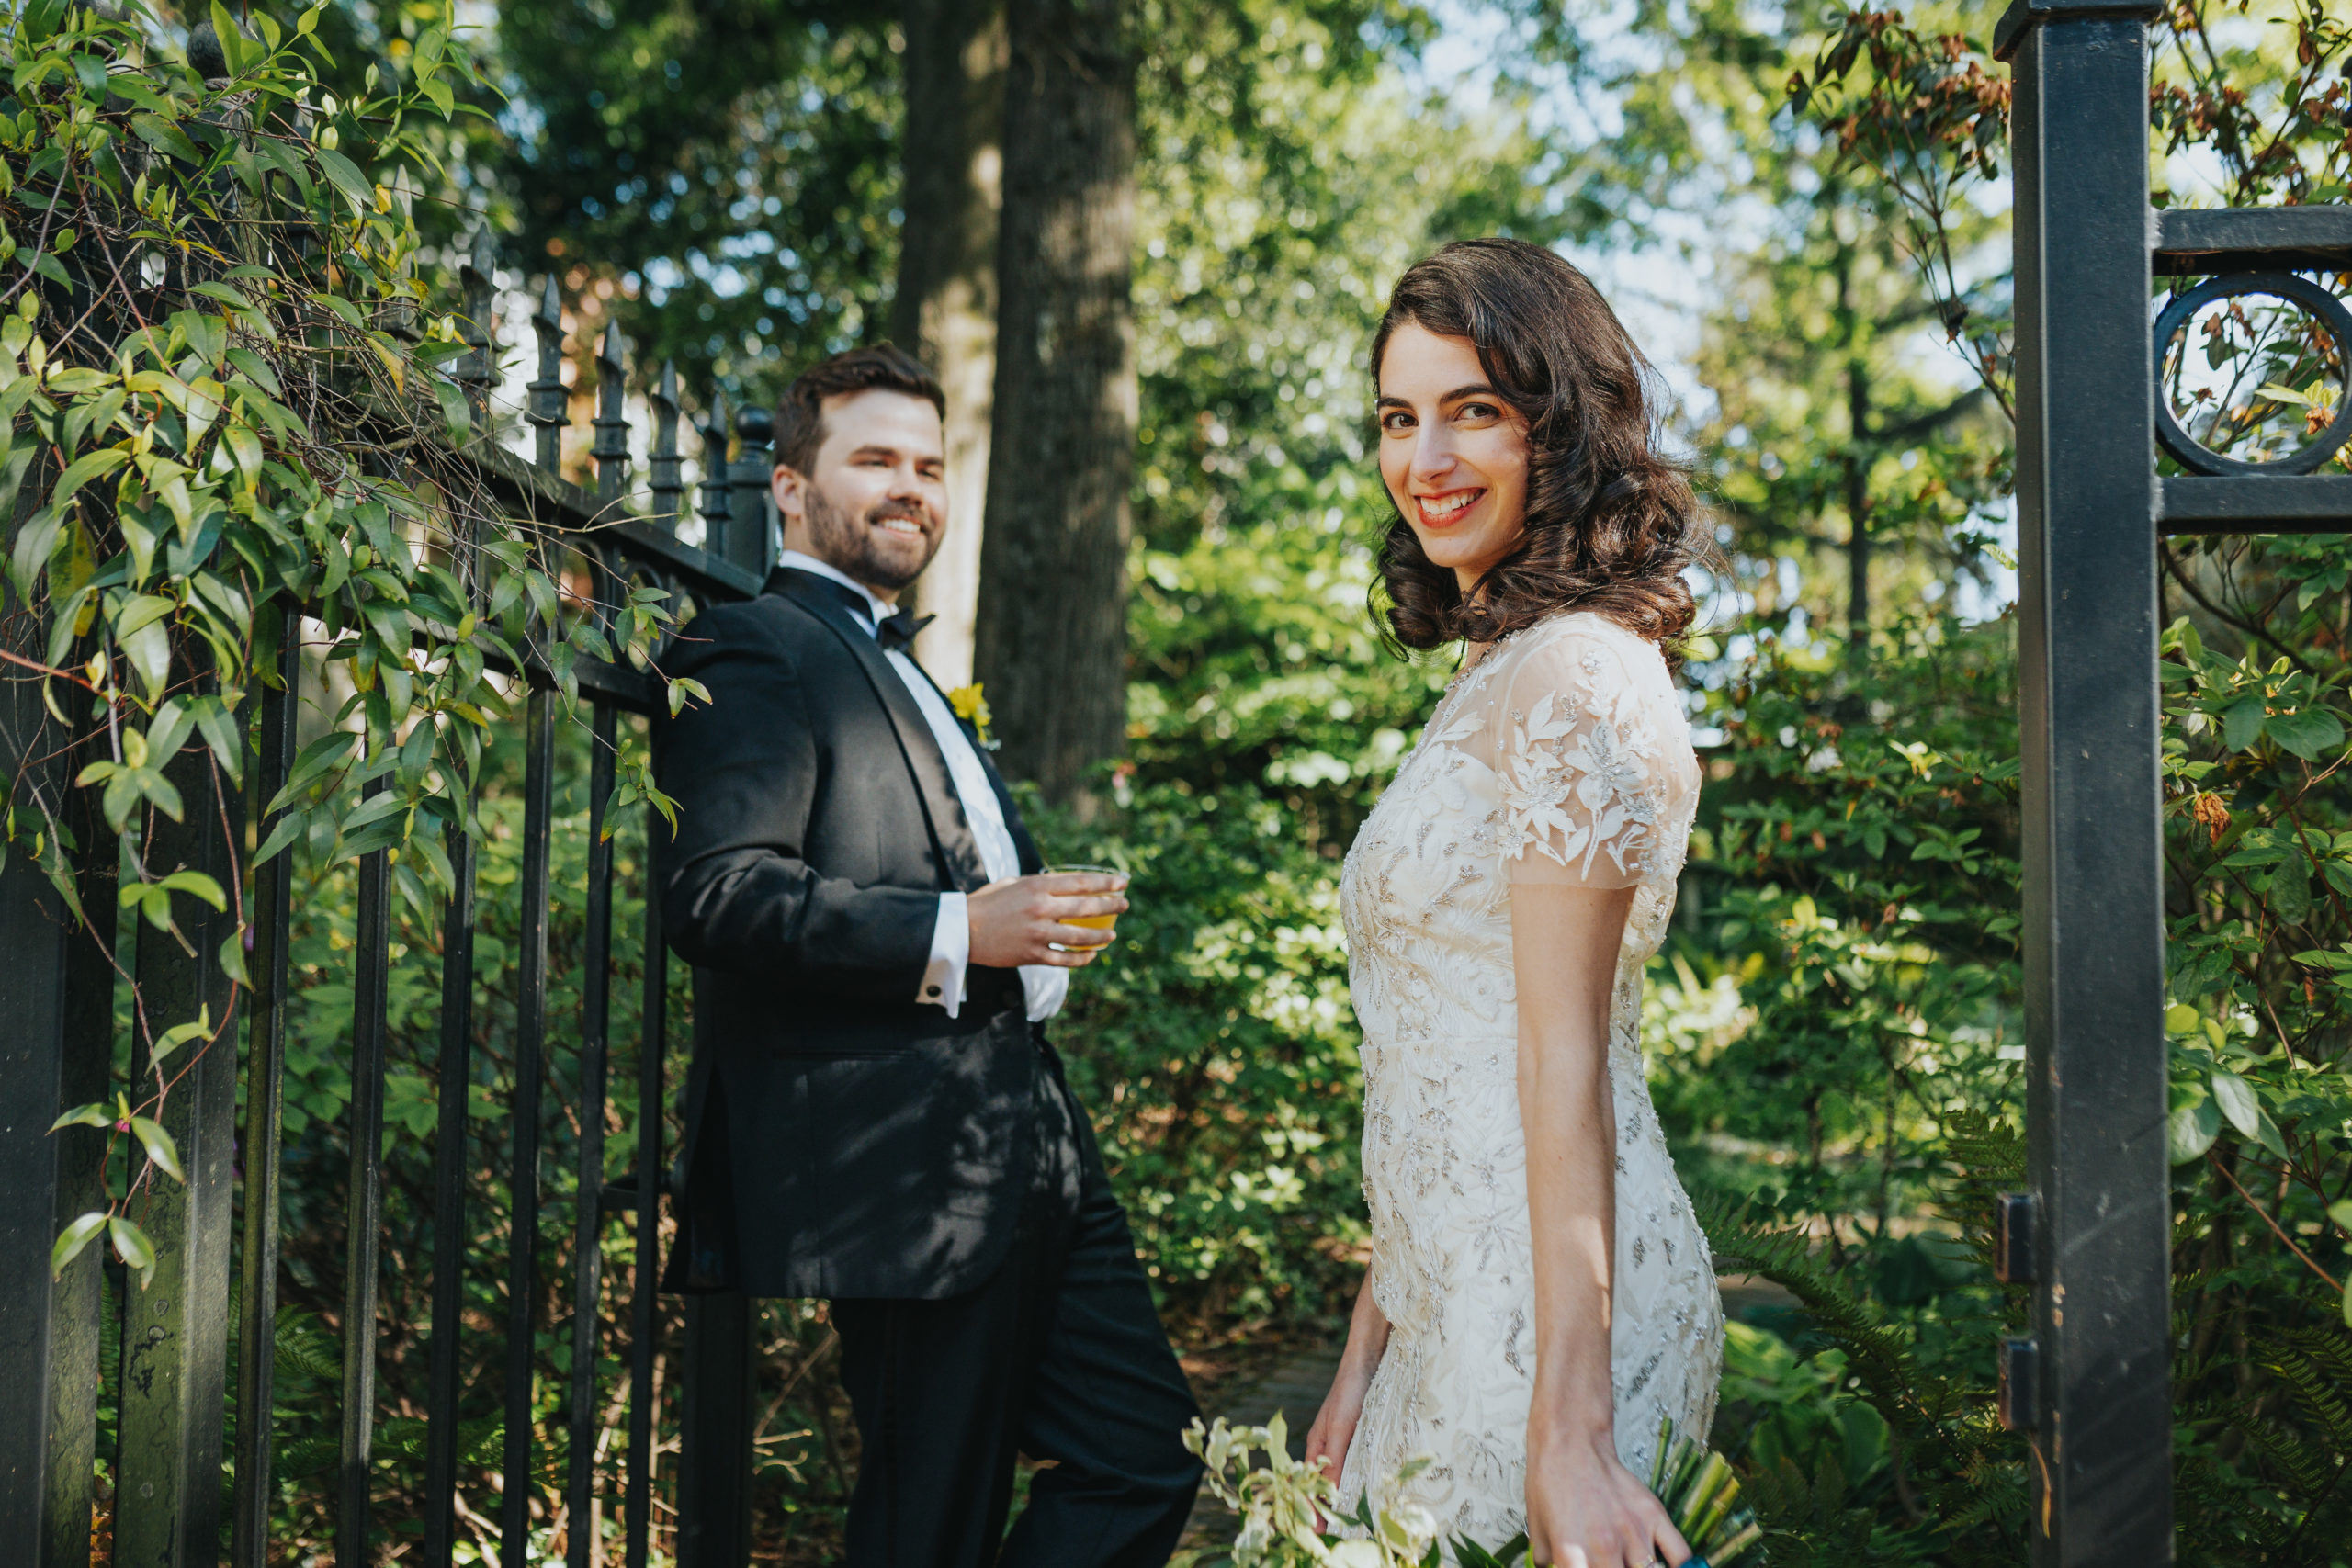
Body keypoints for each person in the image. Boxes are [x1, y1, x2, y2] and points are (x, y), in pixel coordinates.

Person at [653, 344, 1204, 1568]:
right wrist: (963, 930)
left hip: (1038, 1133)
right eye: (875, 461)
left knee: (1147, 1458)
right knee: (929, 1525)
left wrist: (1037, 942)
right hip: (902, 1166)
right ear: (791, 489)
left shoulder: (907, 666)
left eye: (929, 466)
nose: (910, 487)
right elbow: (719, 892)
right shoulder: (753, 647)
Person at [1303, 240, 1724, 1568]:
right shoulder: (1498, 669)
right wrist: (1367, 1349)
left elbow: (1562, 1058)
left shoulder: (1577, 680)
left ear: (1563, 423)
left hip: (1552, 1330)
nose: (1424, 458)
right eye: (1397, 417)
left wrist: (1573, 1433)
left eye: (1472, 409)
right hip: (1450, 1299)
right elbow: (1448, 1059)